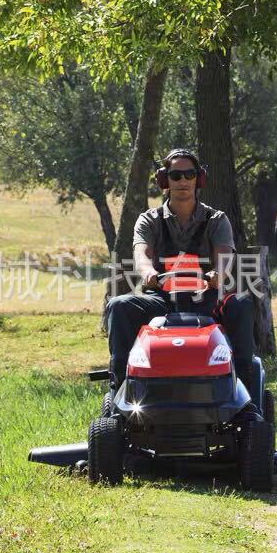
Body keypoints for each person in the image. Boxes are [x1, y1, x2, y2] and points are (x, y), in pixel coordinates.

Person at [106, 148, 257, 398]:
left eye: (189, 174)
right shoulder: (149, 220)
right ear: (165, 180)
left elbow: (224, 258)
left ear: (199, 178)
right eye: (176, 175)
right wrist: (148, 272)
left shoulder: (217, 220)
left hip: (206, 301)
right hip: (161, 301)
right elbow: (142, 255)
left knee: (241, 304)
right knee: (119, 305)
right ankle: (120, 392)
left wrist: (217, 274)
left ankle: (245, 395)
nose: (183, 181)